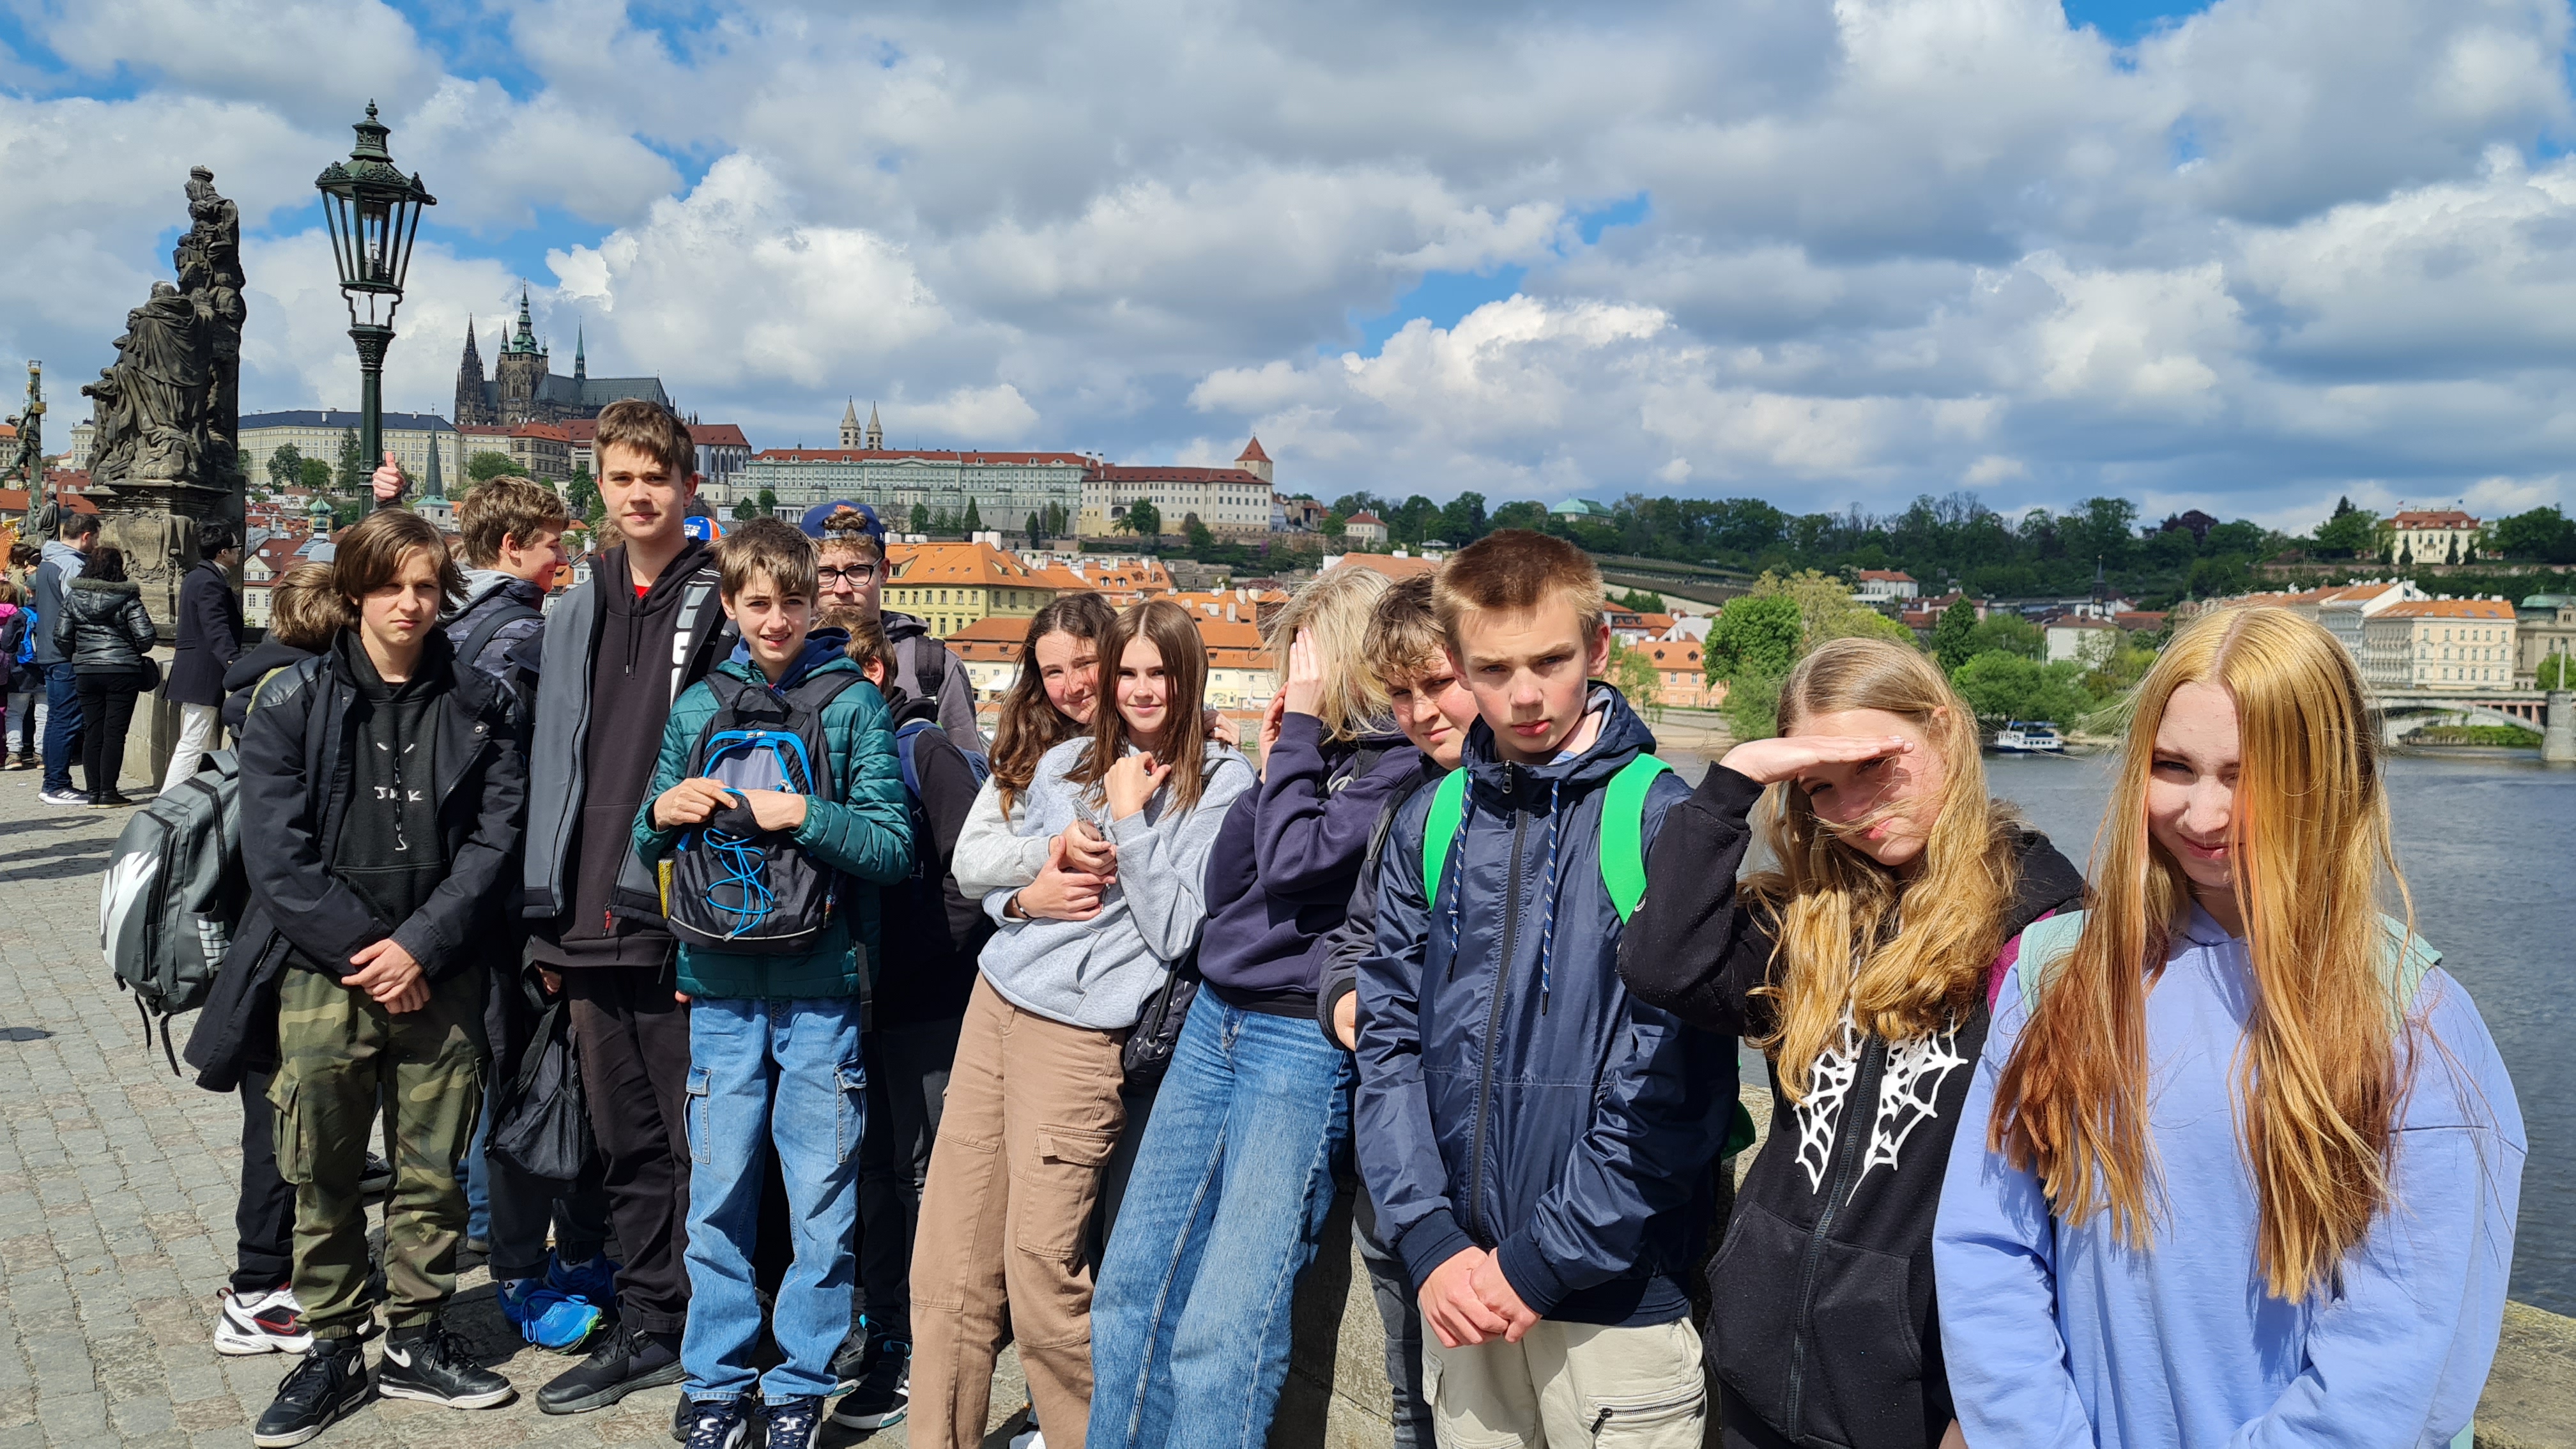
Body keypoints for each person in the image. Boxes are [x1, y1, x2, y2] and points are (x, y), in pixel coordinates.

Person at [1934, 606, 2525, 1449]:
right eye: (2173, 766)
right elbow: (1989, 1246)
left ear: (2331, 781)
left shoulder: (2413, 1019)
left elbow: (2401, 1354)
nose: (2203, 815)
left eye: (2248, 778)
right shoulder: (2057, 972)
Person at [1615, 636, 2086, 1449]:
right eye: (1820, 787)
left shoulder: (2044, 930)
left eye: (1874, 765)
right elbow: (1661, 965)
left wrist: (1988, 1409)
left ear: (1944, 730)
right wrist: (1734, 781)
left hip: (1919, 1401)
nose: (1856, 806)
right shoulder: (1808, 921)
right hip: (1758, 1379)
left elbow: (2069, 1198)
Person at [1354, 529, 1729, 1449]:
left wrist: (1541, 1262)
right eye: (1493, 670)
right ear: (1461, 666)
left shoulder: (1660, 820)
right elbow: (1389, 1046)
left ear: (1598, 648)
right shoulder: (1431, 819)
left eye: (1550, 662)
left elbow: (1674, 1086)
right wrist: (1429, 1237)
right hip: (1463, 1286)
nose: (1524, 696)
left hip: (1614, 1298)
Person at [212, 508, 528, 1445]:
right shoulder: (291, 700)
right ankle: (332, 1344)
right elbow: (278, 857)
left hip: (442, 968)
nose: (410, 604)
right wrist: (371, 952)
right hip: (327, 972)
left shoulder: (481, 700)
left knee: (434, 1171)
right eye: (390, 586)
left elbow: (497, 840)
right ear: (354, 592)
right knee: (322, 1168)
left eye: (426, 586)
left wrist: (421, 946)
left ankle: (417, 1338)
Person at [910, 597, 1255, 1449]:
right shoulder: (1065, 760)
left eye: (1159, 673)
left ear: (1191, 676)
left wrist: (1129, 820)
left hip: (1077, 1038)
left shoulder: (1224, 782)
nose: (1141, 690)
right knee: (947, 1267)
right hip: (996, 1005)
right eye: (1128, 672)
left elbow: (1178, 931)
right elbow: (1001, 887)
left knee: (1043, 1275)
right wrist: (1025, 897)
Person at [1087, 567, 1420, 1449]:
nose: (1291, 681)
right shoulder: (1318, 756)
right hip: (1215, 1017)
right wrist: (1276, 769)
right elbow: (1230, 882)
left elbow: (1297, 867)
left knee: (1225, 1324)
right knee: (1129, 1289)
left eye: (1304, 664)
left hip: (1299, 1040)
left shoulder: (1403, 769)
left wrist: (1300, 734)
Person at [634, 518, 914, 1449]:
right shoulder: (698, 706)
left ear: (815, 602)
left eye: (793, 602)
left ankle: (798, 1382)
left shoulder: (854, 704)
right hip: (719, 986)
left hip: (823, 989)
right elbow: (646, 841)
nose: (777, 620)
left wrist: (804, 814)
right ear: (731, 606)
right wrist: (662, 811)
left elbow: (893, 848)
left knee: (821, 1200)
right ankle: (715, 1382)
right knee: (717, 1194)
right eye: (758, 604)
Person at [516, 400, 738, 1417]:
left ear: (689, 485)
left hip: (679, 916)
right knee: (627, 1140)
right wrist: (543, 916)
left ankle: (718, 1324)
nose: (640, 494)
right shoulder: (575, 604)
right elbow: (544, 762)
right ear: (599, 487)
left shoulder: (724, 601)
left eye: (658, 477)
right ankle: (652, 1322)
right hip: (584, 917)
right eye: (622, 478)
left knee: (704, 1143)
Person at [1309, 574, 1482, 1449]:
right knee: (1411, 1391)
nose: (1421, 712)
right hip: (1399, 1150)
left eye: (1439, 683)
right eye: (1402, 694)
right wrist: (1344, 997)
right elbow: (1356, 938)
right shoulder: (1408, 803)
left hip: (1493, 1176)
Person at [443, 472, 613, 1353]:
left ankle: (526, 1251)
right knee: (534, 1081)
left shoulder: (447, 624)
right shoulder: (522, 636)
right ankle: (530, 1266)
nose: (563, 558)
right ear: (513, 546)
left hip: (463, 895)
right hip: (518, 895)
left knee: (501, 1080)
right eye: (553, 543)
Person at [831, 610, 995, 1433]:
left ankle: (926, 1346)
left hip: (924, 999)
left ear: (876, 675)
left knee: (922, 1176)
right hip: (853, 999)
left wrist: (909, 965)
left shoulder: (921, 750)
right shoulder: (831, 752)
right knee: (871, 1171)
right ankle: (884, 1324)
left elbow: (972, 881)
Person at [204, 561, 348, 1361]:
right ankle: (258, 1291)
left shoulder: (252, 681)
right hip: (282, 941)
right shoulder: (293, 695)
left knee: (274, 1116)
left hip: (260, 931)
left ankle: (270, 1276)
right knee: (275, 1124)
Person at [809, 503, 979, 744]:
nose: (842, 588)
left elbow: (968, 762)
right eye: (826, 572)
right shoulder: (780, 656)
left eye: (857, 571)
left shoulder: (932, 665)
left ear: (884, 572)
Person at [57, 543, 158, 807]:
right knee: (114, 732)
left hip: (87, 671)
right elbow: (146, 637)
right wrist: (131, 649)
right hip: (122, 671)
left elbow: (61, 636)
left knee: (93, 731)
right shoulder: (127, 598)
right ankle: (108, 792)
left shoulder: (74, 598)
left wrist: (79, 655)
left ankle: (93, 792)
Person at [164, 521, 245, 790]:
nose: (239, 551)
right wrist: (235, 665)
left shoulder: (198, 576)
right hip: (204, 672)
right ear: (223, 552)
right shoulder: (210, 582)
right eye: (235, 547)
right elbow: (216, 629)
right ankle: (168, 801)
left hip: (195, 669)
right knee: (194, 741)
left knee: (199, 739)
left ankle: (188, 798)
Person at [35, 510, 97, 806]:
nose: (96, 545)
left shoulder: (47, 560)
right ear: (86, 536)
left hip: (49, 650)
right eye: (95, 539)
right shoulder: (72, 565)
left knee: (56, 719)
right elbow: (81, 610)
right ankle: (56, 784)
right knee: (66, 721)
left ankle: (53, 781)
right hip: (67, 653)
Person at [0, 580, 36, 769]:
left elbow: (6, 644)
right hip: (34, 671)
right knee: (42, 714)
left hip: (16, 674)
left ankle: (13, 753)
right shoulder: (22, 614)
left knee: (14, 712)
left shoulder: (20, 616)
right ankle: (40, 754)